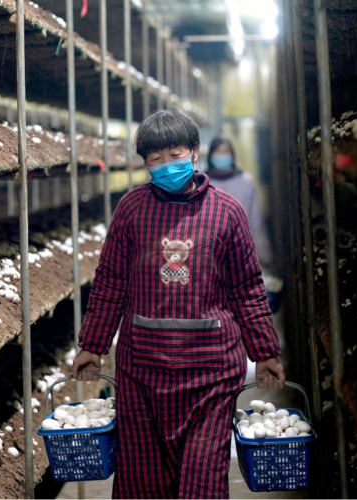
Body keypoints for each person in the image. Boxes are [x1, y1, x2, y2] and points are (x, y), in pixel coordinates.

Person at [71, 109, 284, 500]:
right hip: (143, 372)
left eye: (175, 154)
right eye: (155, 159)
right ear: (145, 163)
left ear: (195, 151)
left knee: (201, 483)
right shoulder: (132, 209)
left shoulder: (227, 212)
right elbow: (110, 281)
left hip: (211, 373)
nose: (167, 165)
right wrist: (93, 345)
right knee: (142, 484)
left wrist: (266, 351)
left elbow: (247, 286)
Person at [207, 136, 272, 270]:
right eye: (218, 152)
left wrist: (263, 255)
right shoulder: (202, 183)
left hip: (241, 251)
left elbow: (255, 220)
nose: (221, 156)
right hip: (210, 254)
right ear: (210, 155)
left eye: (225, 152)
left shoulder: (245, 181)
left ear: (232, 155)